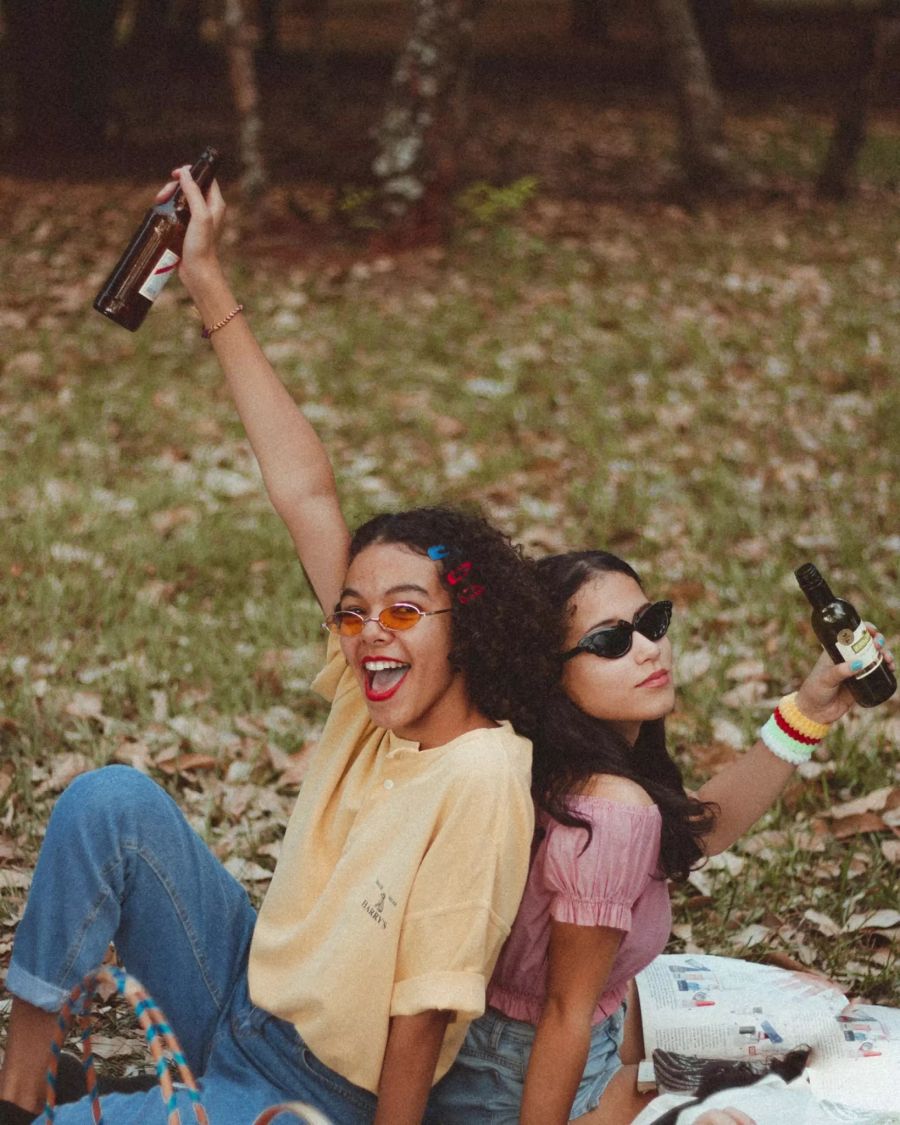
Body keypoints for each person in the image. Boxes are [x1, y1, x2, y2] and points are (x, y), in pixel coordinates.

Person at [0, 169, 559, 1125]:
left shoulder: (479, 777)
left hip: (318, 1096)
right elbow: (302, 487)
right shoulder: (369, 685)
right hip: (243, 994)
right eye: (353, 610)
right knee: (113, 803)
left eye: (405, 610)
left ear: (466, 623)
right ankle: (19, 1087)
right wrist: (206, 278)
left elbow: (422, 1013)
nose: (371, 633)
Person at [427, 549, 893, 1124]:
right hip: (520, 1086)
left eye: (651, 624)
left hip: (540, 1050)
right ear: (548, 672)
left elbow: (696, 831)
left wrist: (809, 712)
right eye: (608, 642)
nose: (648, 648)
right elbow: (564, 1012)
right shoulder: (607, 807)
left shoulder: (564, 764)